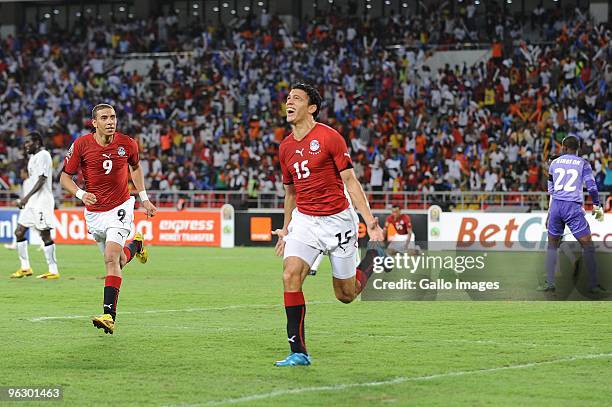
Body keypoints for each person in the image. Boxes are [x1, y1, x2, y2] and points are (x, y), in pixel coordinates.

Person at [272, 83, 386, 367]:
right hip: (305, 221)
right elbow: (290, 193)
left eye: (296, 98)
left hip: (337, 220)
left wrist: (370, 222)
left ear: (311, 108)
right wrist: (285, 229)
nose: (289, 102)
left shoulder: (329, 137)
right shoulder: (285, 147)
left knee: (345, 295)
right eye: (288, 98)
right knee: (290, 274)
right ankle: (298, 351)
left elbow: (350, 181)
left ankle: (374, 258)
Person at [60, 104, 158, 334]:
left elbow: (135, 168)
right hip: (94, 213)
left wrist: (144, 198)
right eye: (104, 118)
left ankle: (108, 315)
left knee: (110, 257)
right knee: (119, 262)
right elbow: (65, 177)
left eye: (113, 117)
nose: (110, 121)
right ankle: (136, 245)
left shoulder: (127, 143)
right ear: (94, 122)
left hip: (120, 207)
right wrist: (81, 194)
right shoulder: (81, 145)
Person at [540, 136, 605, 294]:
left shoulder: (554, 163)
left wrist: (550, 214)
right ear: (579, 147)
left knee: (552, 245)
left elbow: (551, 191)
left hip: (556, 206)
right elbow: (592, 187)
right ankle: (594, 284)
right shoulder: (583, 164)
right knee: (588, 246)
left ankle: (549, 282)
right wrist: (597, 205)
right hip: (572, 207)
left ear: (563, 147)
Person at [10, 132, 60, 280]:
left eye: (28, 142)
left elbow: (42, 179)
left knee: (45, 235)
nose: (26, 146)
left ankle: (53, 270)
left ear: (37, 142)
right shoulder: (32, 158)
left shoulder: (44, 155)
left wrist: (25, 198)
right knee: (19, 232)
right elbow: (33, 181)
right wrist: (26, 199)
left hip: (42, 201)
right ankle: (25, 268)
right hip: (32, 202)